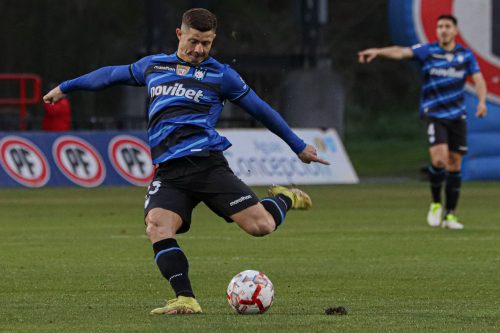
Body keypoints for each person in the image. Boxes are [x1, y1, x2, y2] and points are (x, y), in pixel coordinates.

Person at [43, 8, 329, 315]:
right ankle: (185, 299)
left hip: (207, 166)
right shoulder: (153, 66)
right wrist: (66, 87)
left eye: (206, 43)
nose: (199, 50)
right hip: (170, 172)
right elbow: (110, 75)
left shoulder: (222, 76)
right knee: (157, 226)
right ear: (180, 34)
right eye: (194, 41)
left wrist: (298, 146)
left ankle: (285, 198)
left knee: (262, 227)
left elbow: (261, 109)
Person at [358, 14, 488, 230]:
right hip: (434, 114)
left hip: (457, 116)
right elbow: (401, 52)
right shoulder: (427, 51)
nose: (443, 30)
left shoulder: (465, 55)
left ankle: (451, 215)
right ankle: (436, 204)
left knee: (455, 164)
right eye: (440, 26)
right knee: (439, 161)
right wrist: (379, 52)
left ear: (455, 31)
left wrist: (482, 101)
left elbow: (479, 79)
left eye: (447, 26)